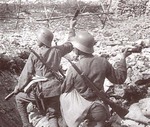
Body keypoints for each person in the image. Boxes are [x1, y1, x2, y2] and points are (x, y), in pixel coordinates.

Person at [60, 31, 132, 127]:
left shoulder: (74, 68)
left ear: (78, 50)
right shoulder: (102, 62)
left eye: (75, 48)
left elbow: (65, 89)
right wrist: (123, 58)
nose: (74, 49)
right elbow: (119, 79)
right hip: (99, 109)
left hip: (80, 112)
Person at [14, 19, 77, 127]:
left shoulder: (34, 54)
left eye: (38, 38)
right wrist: (71, 27)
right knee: (52, 115)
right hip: (56, 90)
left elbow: (26, 74)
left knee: (19, 98)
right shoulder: (57, 50)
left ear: (42, 40)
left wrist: (18, 88)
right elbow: (70, 43)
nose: (36, 40)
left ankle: (26, 124)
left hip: (42, 91)